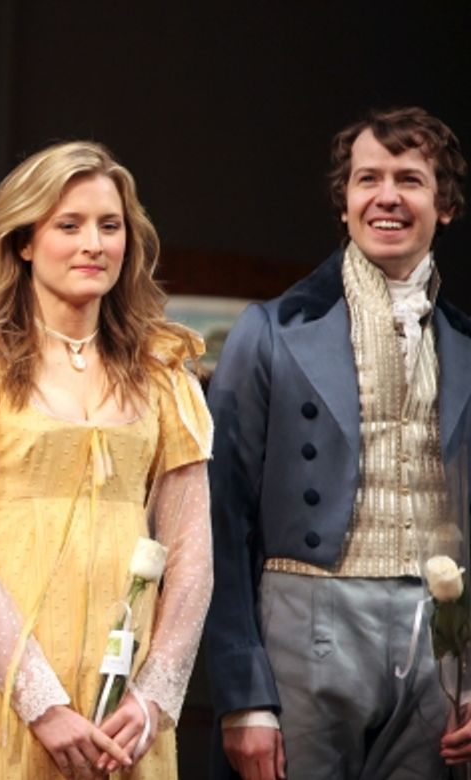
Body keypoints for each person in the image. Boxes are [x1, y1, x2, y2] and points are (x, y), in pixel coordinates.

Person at [0, 141, 213, 779]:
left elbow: (193, 554)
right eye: (68, 226)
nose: (92, 244)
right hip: (1, 680)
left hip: (125, 693)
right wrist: (40, 701)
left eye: (109, 225)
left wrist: (156, 694)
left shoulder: (163, 372)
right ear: (23, 241)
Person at [205, 106, 471, 780]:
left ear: (445, 204)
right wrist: (244, 697)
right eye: (367, 179)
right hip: (306, 623)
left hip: (442, 635)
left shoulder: (468, 345)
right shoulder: (271, 331)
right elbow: (219, 518)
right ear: (345, 202)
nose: (386, 196)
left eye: (409, 179)